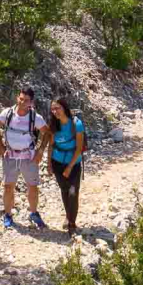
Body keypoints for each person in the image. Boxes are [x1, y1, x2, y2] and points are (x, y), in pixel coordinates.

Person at [0, 86, 51, 229]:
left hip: (29, 157)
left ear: (31, 102)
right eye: (21, 99)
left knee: (32, 186)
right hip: (10, 155)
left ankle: (34, 213)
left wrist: (40, 151)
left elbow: (47, 132)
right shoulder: (8, 113)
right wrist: (0, 145)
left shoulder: (35, 117)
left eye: (26, 100)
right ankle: (7, 215)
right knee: (8, 187)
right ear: (17, 98)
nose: (22, 102)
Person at [47, 97, 85, 234]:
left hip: (73, 163)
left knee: (73, 192)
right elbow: (51, 145)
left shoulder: (76, 124)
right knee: (64, 190)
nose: (55, 111)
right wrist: (48, 164)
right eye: (53, 109)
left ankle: (72, 223)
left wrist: (69, 167)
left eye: (58, 108)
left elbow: (79, 148)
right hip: (57, 162)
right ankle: (68, 217)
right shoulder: (53, 124)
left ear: (65, 108)